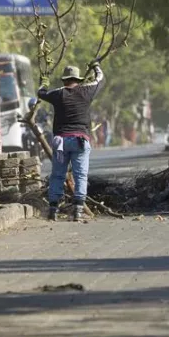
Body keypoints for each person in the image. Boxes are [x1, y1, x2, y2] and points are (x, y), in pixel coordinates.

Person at [38, 61, 104, 222]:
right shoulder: (86, 91)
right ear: (78, 79)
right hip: (80, 140)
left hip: (61, 141)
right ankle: (78, 210)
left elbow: (41, 93)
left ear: (65, 80)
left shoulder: (58, 94)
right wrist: (96, 66)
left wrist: (44, 82)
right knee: (80, 175)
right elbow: (101, 79)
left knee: (57, 175)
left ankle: (53, 209)